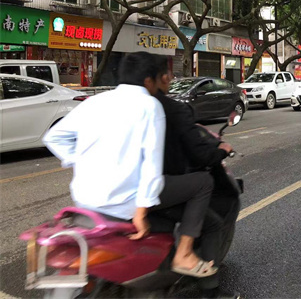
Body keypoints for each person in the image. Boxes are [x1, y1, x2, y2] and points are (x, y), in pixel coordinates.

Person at [43, 51, 216, 279]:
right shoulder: (149, 105)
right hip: (123, 201)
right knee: (203, 183)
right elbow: (151, 165)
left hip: (84, 200)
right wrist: (141, 212)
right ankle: (183, 254)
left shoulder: (95, 102)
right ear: (149, 81)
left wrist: (80, 160)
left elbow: (53, 137)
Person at [152, 56, 240, 298]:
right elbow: (200, 155)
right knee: (210, 215)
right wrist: (220, 150)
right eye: (169, 75)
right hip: (149, 193)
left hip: (100, 198)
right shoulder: (171, 109)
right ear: (161, 78)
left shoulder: (111, 107)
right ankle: (208, 290)